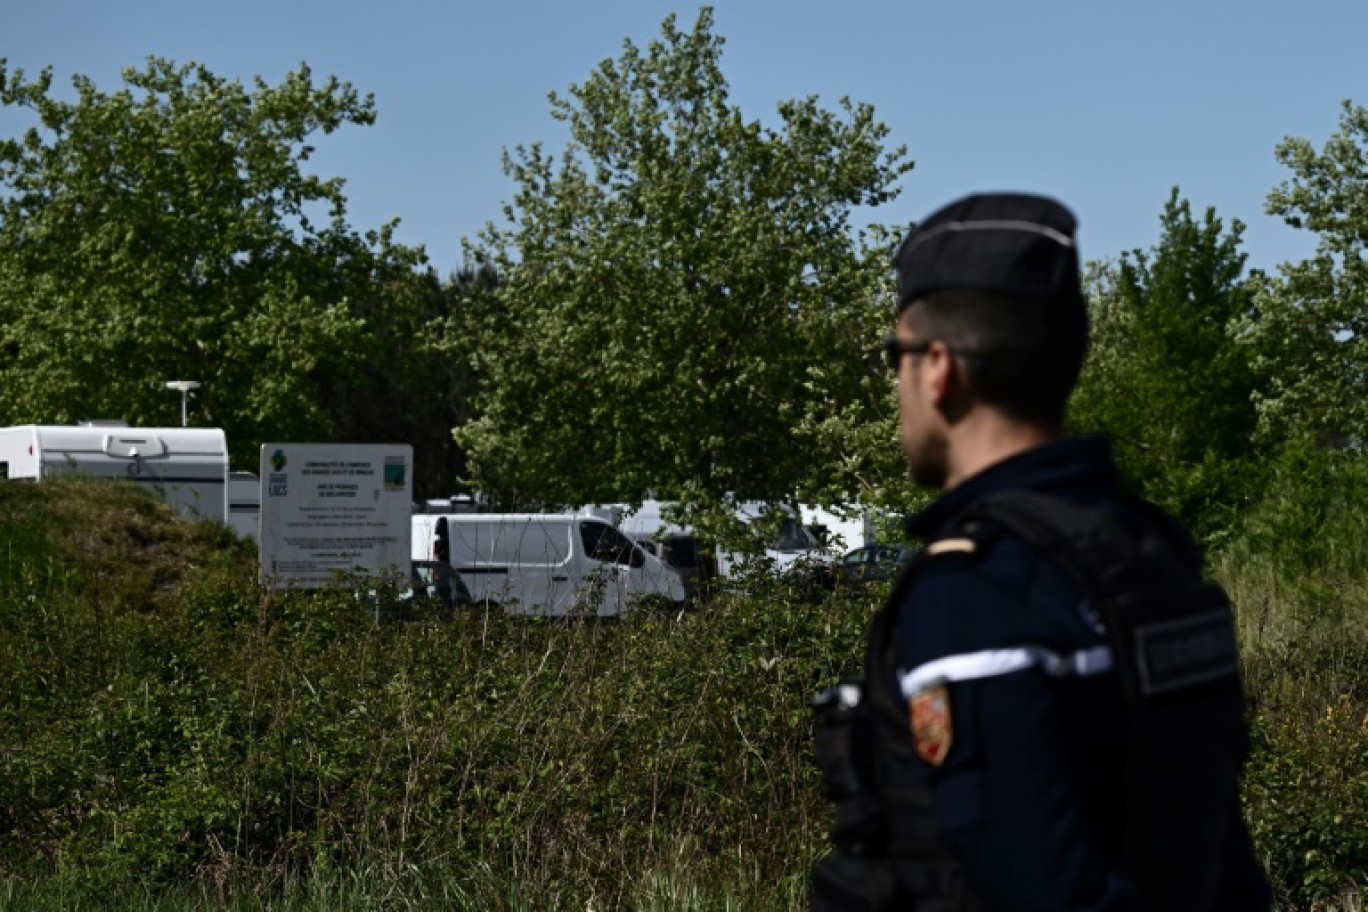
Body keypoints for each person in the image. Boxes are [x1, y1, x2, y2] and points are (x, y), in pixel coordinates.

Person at [810, 193, 1270, 911]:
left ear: (938, 368)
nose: (895, 382)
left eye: (894, 356)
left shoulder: (979, 591)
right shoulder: (1146, 548)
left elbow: (1038, 890)